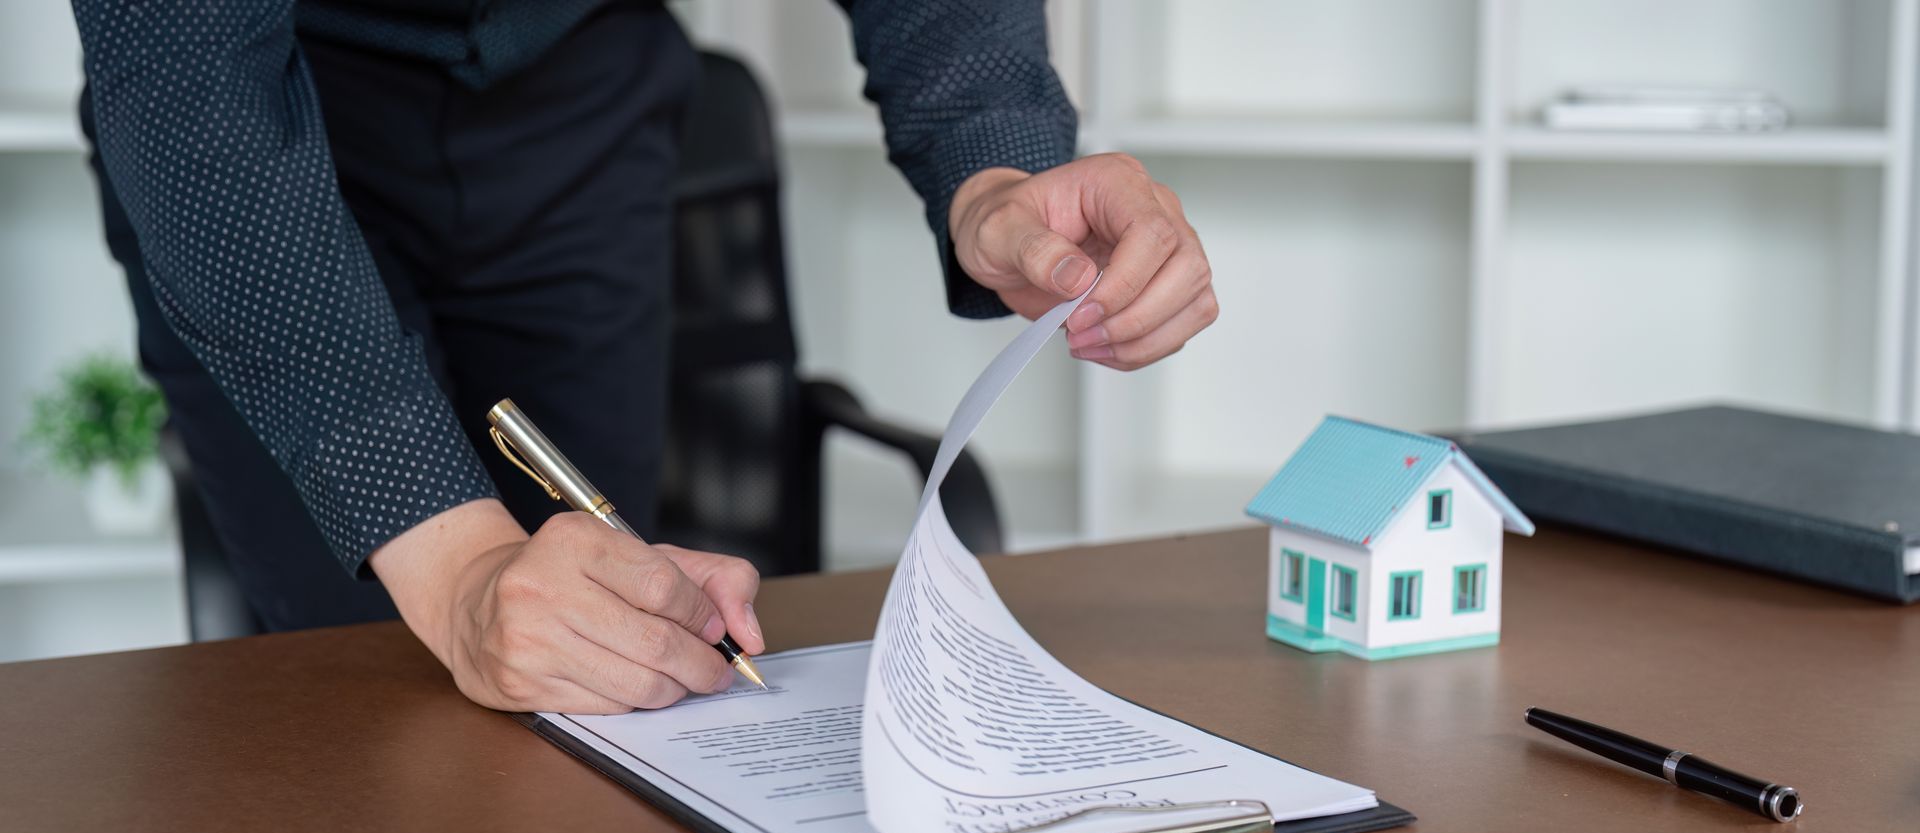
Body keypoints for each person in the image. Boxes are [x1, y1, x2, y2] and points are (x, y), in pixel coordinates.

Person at [72, 0, 1219, 714]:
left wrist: (995, 167)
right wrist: (460, 566)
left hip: (582, 90)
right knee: (367, 680)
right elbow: (188, 94)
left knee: (599, 666)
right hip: (262, 129)